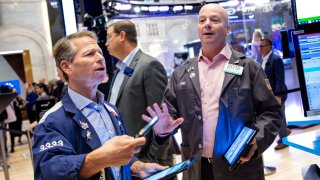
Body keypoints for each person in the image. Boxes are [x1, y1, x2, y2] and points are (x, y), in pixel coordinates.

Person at [142, 4, 282, 180]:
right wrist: (162, 130)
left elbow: (271, 111)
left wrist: (257, 139)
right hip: (196, 169)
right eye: (202, 20)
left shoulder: (248, 67)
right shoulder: (181, 73)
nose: (207, 24)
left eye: (215, 20)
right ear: (198, 29)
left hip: (239, 168)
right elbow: (170, 112)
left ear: (228, 29)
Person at [32, 31, 167, 180]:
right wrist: (101, 158)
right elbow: (50, 171)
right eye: (89, 54)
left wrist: (137, 166)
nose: (101, 58)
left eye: (100, 52)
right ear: (66, 66)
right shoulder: (52, 121)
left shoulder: (111, 110)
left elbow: (115, 158)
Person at [105, 20, 174, 166]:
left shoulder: (149, 66)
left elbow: (161, 116)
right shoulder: (119, 70)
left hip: (146, 159)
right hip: (125, 158)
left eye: (109, 37)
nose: (106, 43)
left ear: (122, 35)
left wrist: (154, 156)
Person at [258, 38, 290, 150]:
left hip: (278, 94)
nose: (260, 48)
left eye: (262, 46)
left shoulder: (276, 59)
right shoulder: (262, 60)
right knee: (278, 117)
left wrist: (279, 95)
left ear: (269, 46)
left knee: (280, 118)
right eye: (259, 46)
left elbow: (280, 79)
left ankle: (285, 140)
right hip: (269, 95)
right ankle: (285, 133)